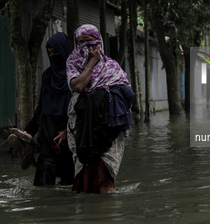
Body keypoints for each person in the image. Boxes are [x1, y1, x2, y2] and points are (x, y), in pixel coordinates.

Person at [66, 24, 134, 194]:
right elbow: (79, 86)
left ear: (99, 43)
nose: (87, 47)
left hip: (108, 125)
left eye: (90, 42)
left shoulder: (112, 66)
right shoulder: (72, 63)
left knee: (105, 174)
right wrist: (92, 62)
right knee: (85, 172)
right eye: (81, 42)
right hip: (82, 125)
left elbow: (126, 95)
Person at [8, 32, 75, 186]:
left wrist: (68, 130)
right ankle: (27, 143)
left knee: (68, 184)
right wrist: (29, 131)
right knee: (42, 181)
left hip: (69, 137)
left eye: (56, 53)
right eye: (49, 53)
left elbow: (80, 108)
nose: (52, 56)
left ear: (65, 51)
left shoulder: (75, 77)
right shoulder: (47, 75)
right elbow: (42, 107)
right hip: (48, 132)